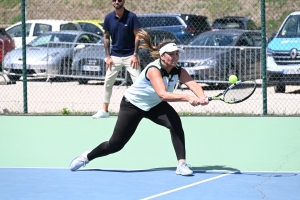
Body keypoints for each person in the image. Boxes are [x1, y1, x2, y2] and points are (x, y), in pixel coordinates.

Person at [70, 29, 209, 176]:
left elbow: (193, 84)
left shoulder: (178, 70)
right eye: (171, 54)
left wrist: (202, 97)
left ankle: (181, 164)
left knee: (175, 123)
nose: (175, 57)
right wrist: (187, 98)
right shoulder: (154, 69)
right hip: (133, 105)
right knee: (115, 144)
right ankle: (86, 157)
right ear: (162, 56)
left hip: (153, 104)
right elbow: (162, 94)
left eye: (177, 53)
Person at [92, 0, 141, 119]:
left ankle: (142, 110)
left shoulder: (132, 17)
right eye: (114, 0)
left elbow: (138, 36)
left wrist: (135, 54)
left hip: (130, 56)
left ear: (123, 1)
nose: (117, 2)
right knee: (108, 83)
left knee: (140, 83)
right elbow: (106, 37)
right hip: (115, 56)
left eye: (119, 0)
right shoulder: (108, 18)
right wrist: (108, 57)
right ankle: (105, 110)